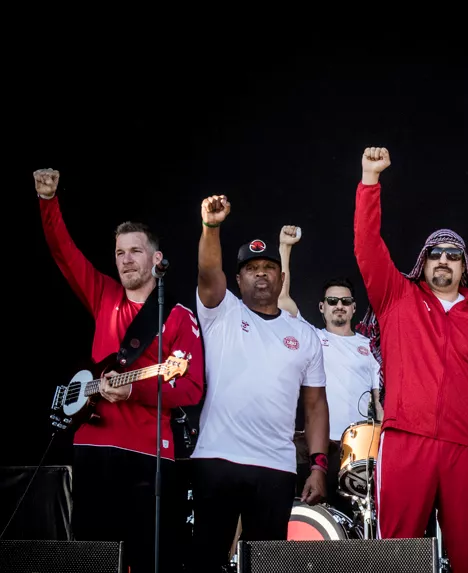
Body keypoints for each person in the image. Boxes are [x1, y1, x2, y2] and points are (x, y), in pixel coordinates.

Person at [353, 147, 468, 573]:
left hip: (464, 448)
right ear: (423, 262)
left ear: (465, 266)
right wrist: (370, 181)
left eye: (452, 254)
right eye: (435, 253)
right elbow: (367, 246)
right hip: (406, 439)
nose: (443, 259)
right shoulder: (397, 298)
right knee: (397, 553)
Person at [34, 168, 205, 573]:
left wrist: (136, 393)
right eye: (119, 253)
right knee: (92, 555)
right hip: (94, 446)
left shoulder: (178, 315)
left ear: (156, 258)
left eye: (135, 251)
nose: (126, 260)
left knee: (148, 557)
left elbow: (193, 386)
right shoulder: (104, 294)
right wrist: (48, 202)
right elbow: (64, 252)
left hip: (149, 452)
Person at [191, 195, 329, 572]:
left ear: (282, 277)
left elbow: (315, 404)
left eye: (270, 267)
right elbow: (207, 273)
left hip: (275, 468)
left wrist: (318, 465)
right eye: (251, 268)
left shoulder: (304, 335)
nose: (262, 273)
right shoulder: (222, 312)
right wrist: (211, 226)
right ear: (237, 279)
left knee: (266, 565)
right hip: (216, 459)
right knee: (206, 559)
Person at [277, 224, 383, 514]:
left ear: (353, 308)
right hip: (319, 446)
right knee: (316, 515)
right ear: (321, 307)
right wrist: (285, 249)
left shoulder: (370, 348)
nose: (339, 306)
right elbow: (282, 301)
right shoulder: (313, 338)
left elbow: (378, 403)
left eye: (345, 301)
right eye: (332, 301)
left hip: (359, 451)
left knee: (358, 518)